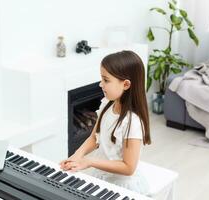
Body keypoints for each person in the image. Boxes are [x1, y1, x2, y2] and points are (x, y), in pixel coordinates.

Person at [60, 50, 151, 195]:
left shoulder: (132, 122)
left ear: (126, 84)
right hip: (102, 176)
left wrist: (89, 161)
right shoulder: (107, 104)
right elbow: (93, 138)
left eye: (106, 80)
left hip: (122, 187)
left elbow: (128, 167)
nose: (101, 84)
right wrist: (76, 155)